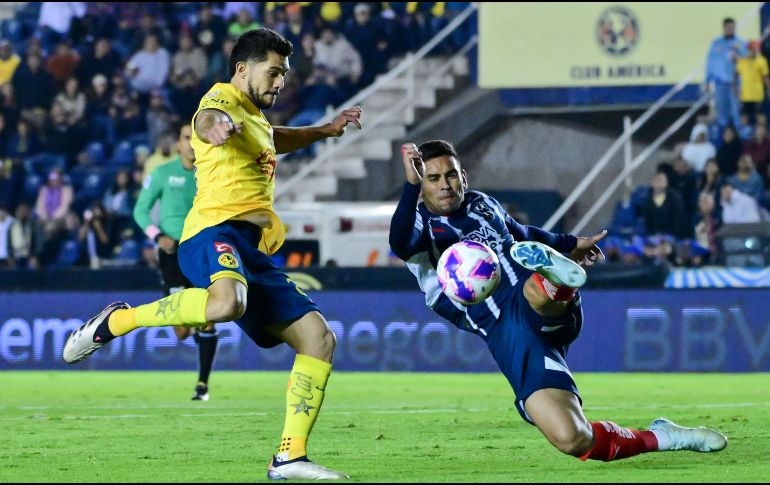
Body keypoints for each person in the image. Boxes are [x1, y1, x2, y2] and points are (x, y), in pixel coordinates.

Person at [63, 28, 362, 480]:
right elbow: (206, 118)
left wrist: (325, 129)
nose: (280, 82)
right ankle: (119, 320)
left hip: (252, 251)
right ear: (243, 68)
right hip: (211, 231)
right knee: (227, 303)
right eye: (273, 72)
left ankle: (289, 457)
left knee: (318, 338)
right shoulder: (221, 98)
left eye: (284, 74)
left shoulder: (256, 120)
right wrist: (215, 127)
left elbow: (272, 138)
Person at [389, 140, 728, 463]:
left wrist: (570, 243)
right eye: (433, 178)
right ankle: (663, 436)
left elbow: (522, 233)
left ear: (463, 177)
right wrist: (409, 186)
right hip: (504, 331)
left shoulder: (482, 203)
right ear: (422, 184)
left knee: (533, 292)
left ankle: (556, 279)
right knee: (572, 438)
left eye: (451, 175)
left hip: (526, 294)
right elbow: (400, 242)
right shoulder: (418, 225)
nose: (445, 185)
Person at [133, 122, 218, 401]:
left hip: (202, 252)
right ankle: (193, 323)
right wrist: (157, 237)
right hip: (171, 255)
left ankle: (202, 385)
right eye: (186, 138)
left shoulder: (211, 172)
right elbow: (140, 211)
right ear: (178, 144)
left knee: (208, 317)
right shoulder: (162, 173)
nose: (192, 143)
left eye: (196, 137)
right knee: (181, 330)